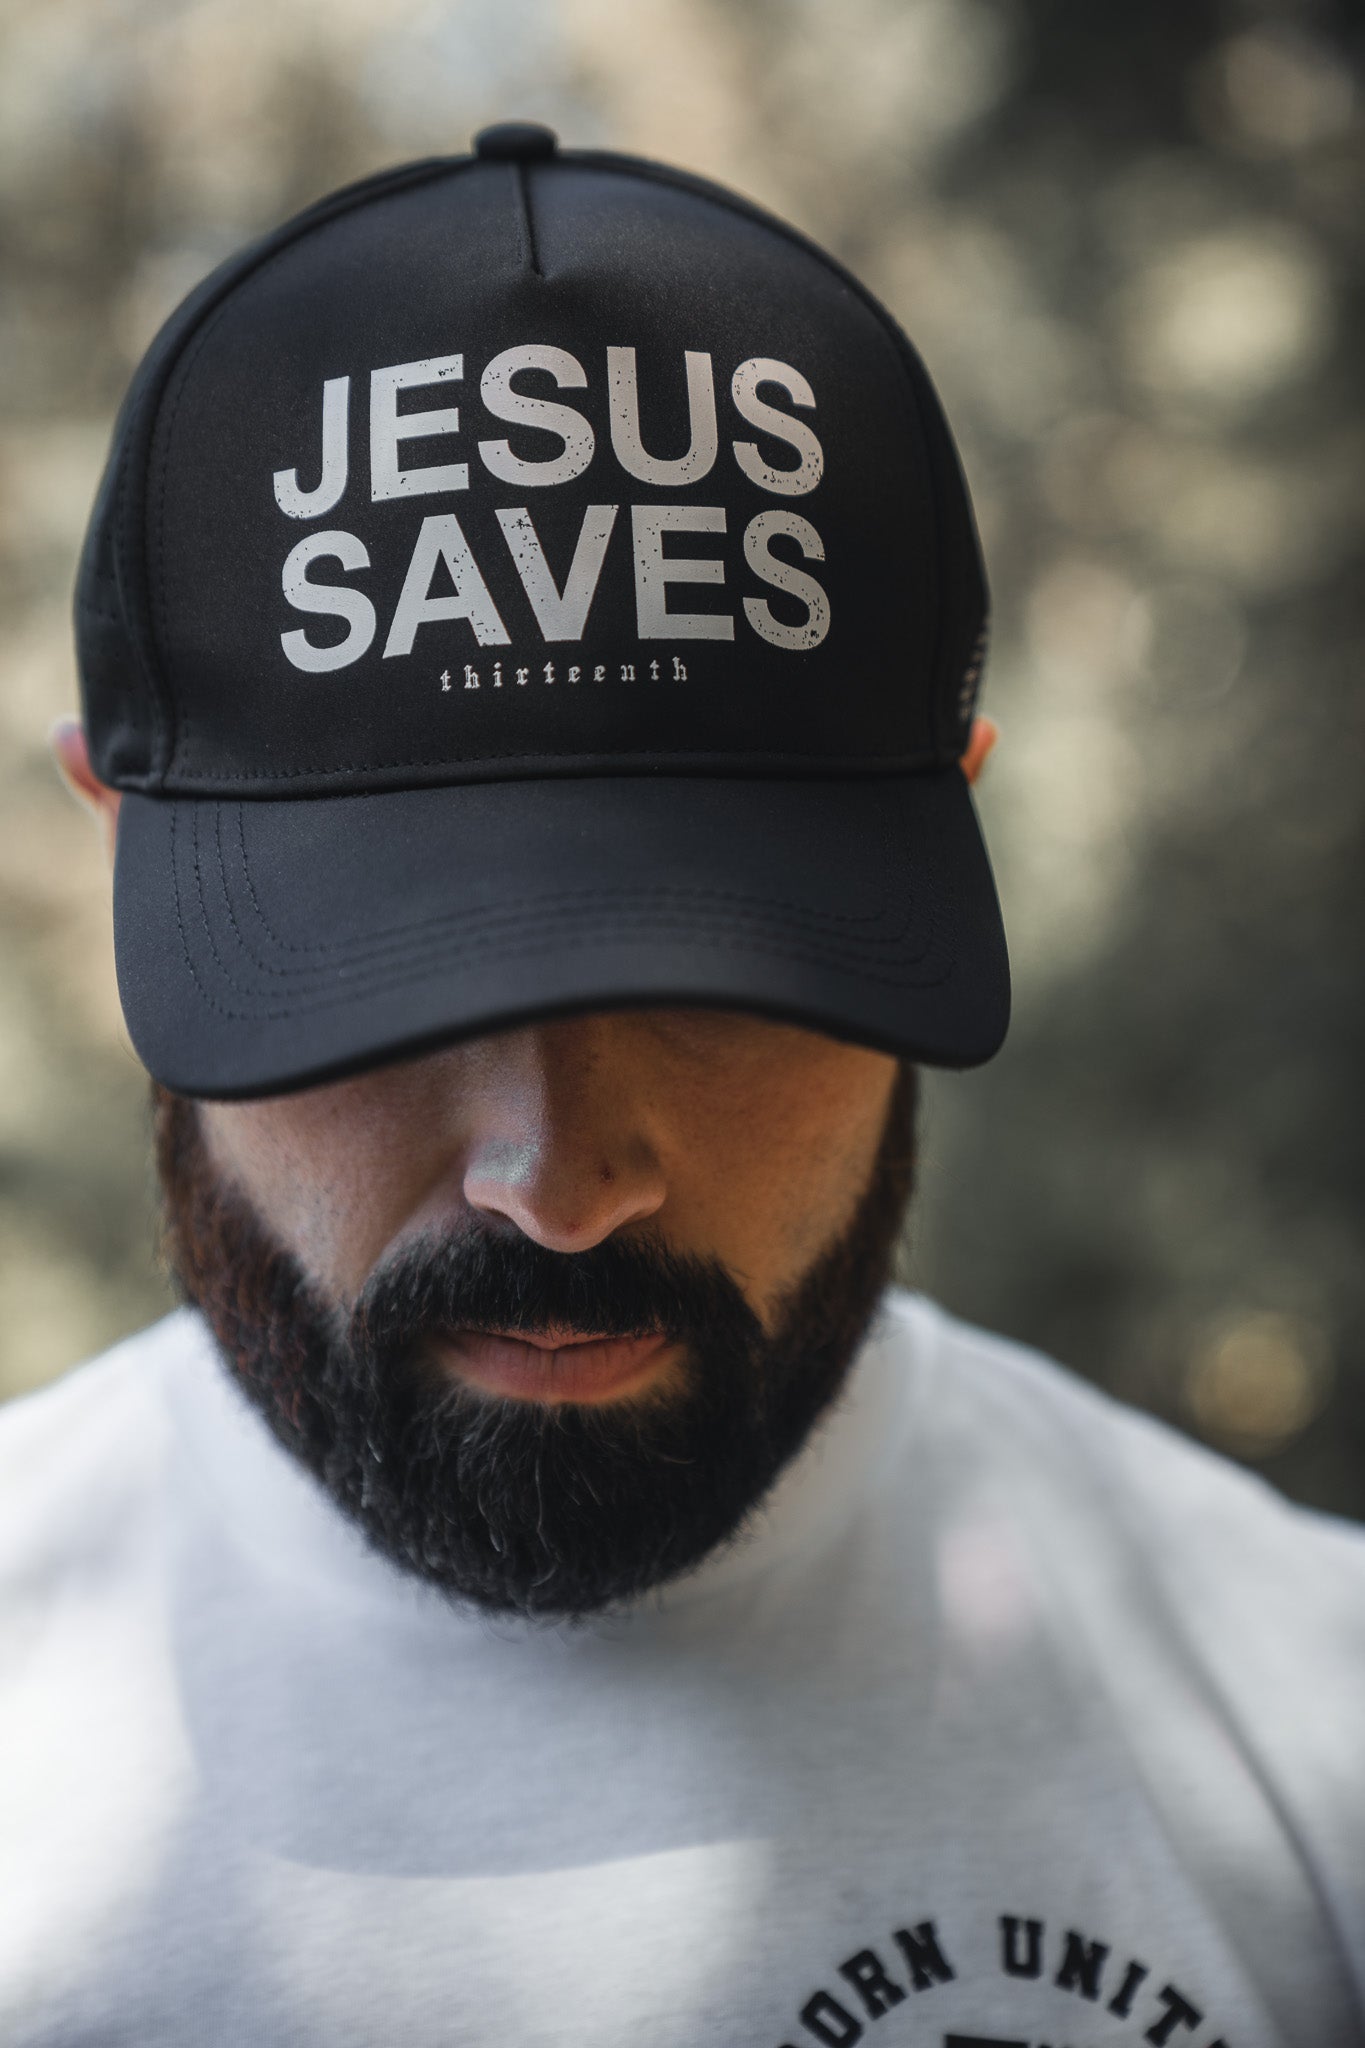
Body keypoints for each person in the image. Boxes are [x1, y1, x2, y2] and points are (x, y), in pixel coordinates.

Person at [1, 121, 1361, 2048]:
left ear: (944, 836)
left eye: (718, 984)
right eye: (381, 996)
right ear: (111, 838)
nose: (558, 1185)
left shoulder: (1309, 1736)